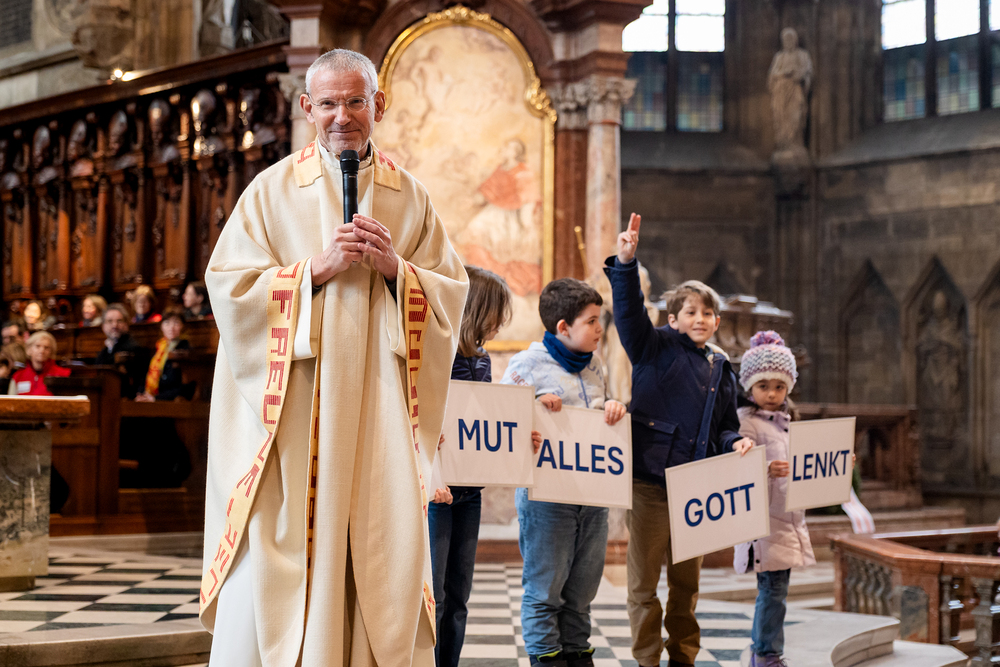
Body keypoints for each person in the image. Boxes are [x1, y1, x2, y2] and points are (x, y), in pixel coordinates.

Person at [200, 49, 468, 667]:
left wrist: (396, 271)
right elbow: (230, 290)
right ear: (306, 107)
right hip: (294, 420)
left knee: (377, 546)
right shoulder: (270, 192)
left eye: (355, 101)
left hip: (378, 418)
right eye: (327, 103)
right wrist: (312, 272)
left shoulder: (411, 197)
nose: (342, 116)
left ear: (379, 105)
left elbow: (450, 297)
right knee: (278, 545)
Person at [604, 213, 753, 667]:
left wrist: (734, 442)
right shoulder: (653, 348)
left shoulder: (721, 367)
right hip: (650, 484)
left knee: (686, 585)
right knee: (643, 584)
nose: (700, 319)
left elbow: (724, 424)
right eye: (690, 312)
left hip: (697, 489)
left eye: (707, 313)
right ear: (672, 318)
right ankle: (648, 659)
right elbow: (629, 313)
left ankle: (683, 657)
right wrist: (625, 264)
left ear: (717, 320)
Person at [500, 278, 628, 667]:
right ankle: (547, 657)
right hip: (547, 499)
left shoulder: (595, 365)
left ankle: (576, 651)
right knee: (545, 588)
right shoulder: (527, 364)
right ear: (563, 327)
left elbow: (596, 416)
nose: (600, 328)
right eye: (591, 321)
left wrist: (612, 408)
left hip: (592, 495)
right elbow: (502, 419)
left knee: (582, 589)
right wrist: (534, 406)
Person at [429, 266, 528, 667]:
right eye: (496, 312)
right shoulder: (439, 353)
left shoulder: (482, 359)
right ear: (476, 308)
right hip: (437, 492)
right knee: (433, 595)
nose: (500, 322)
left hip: (469, 492)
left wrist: (517, 421)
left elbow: (482, 418)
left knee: (459, 596)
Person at [733, 331, 814, 667]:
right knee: (772, 591)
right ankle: (766, 654)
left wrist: (837, 463)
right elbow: (736, 466)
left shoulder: (787, 424)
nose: (771, 393)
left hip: (786, 520)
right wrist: (765, 468)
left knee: (777, 590)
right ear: (749, 386)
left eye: (779, 386)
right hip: (764, 523)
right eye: (763, 385)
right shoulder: (747, 423)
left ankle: (765, 652)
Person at [136, 308, 193, 402]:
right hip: (151, 396)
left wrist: (156, 398)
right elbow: (145, 374)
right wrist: (142, 393)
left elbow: (184, 387)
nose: (171, 327)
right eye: (167, 323)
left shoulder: (185, 349)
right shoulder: (159, 347)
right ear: (161, 326)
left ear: (183, 326)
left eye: (176, 323)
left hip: (169, 400)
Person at [95, 303, 148, 399]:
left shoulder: (133, 348)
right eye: (109, 321)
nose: (114, 325)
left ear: (126, 324)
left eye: (119, 321)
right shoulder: (106, 349)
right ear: (103, 326)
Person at [9, 331, 70, 395]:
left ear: (51, 352)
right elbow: (11, 400)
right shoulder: (18, 376)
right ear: (29, 349)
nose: (42, 351)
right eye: (38, 346)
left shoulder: (62, 375)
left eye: (46, 347)